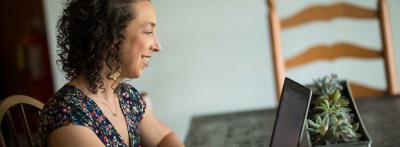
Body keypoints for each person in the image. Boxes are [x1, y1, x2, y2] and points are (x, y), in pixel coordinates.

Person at [39, 0, 184, 146]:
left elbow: (164, 138)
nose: (157, 46)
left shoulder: (127, 97)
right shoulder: (67, 115)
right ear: (109, 35)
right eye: (148, 32)